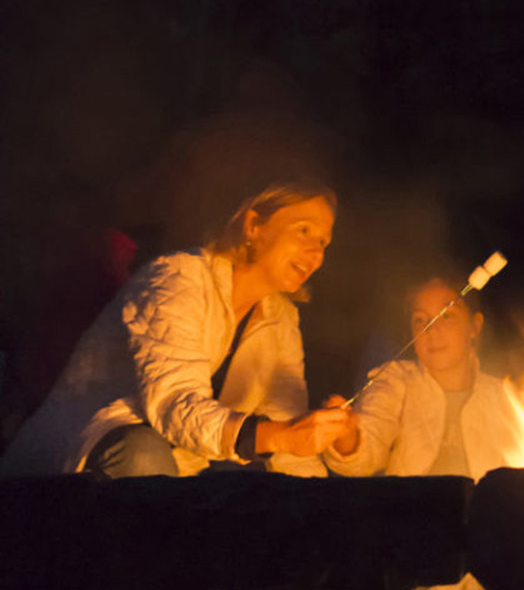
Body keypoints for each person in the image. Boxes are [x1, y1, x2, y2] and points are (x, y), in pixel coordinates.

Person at [0, 181, 353, 478]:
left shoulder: (281, 318)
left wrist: (323, 505)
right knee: (145, 454)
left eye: (324, 242)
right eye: (304, 230)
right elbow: (175, 403)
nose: (315, 251)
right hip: (72, 463)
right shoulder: (178, 278)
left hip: (184, 464)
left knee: (253, 482)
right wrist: (278, 437)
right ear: (253, 226)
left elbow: (289, 438)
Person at [323, 277, 524, 480]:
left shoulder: (505, 398)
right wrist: (348, 437)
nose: (432, 330)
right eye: (420, 320)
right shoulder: (395, 380)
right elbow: (371, 442)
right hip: (411, 509)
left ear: (474, 326)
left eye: (447, 316)